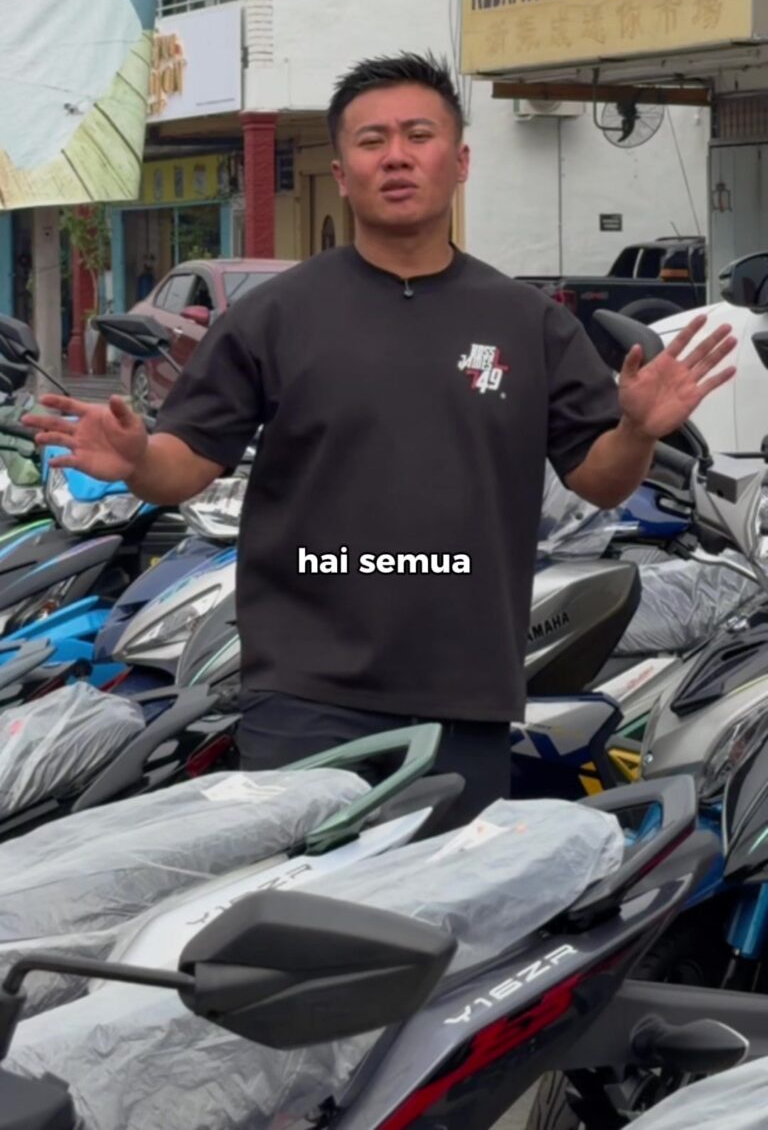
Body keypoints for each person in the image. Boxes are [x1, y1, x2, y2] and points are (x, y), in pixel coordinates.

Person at [23, 53, 736, 824]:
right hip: (303, 693)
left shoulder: (527, 323)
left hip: (463, 693)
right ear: (341, 171)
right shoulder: (277, 316)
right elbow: (185, 465)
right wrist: (136, 460)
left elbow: (600, 479)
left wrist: (635, 429)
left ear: (460, 161)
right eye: (373, 140)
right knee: (302, 897)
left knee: (437, 897)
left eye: (418, 135)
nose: (396, 156)